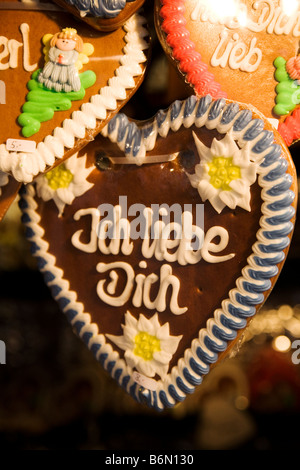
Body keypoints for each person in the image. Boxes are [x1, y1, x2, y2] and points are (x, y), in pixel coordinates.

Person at [38, 28, 84, 92]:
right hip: (53, 65)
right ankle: (47, 83)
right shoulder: (53, 49)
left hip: (67, 68)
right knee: (48, 74)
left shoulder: (74, 52)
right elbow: (51, 55)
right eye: (63, 40)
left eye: (68, 41)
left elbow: (73, 59)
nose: (65, 42)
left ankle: (68, 87)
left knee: (67, 78)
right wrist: (55, 59)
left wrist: (65, 62)